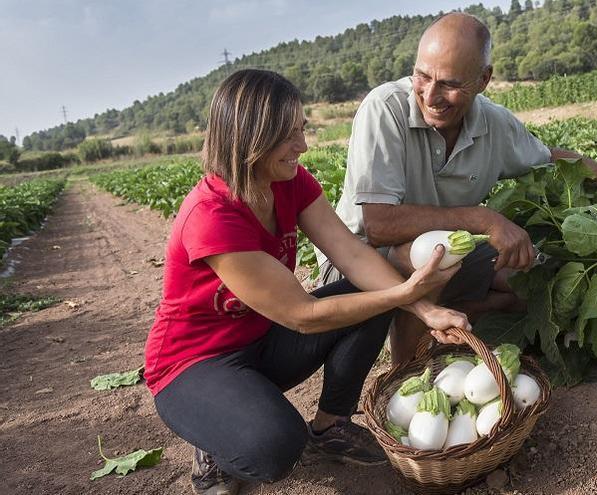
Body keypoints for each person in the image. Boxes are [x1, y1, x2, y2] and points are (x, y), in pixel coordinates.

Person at [144, 69, 471, 495]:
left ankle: (332, 425)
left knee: (371, 292)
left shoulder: (290, 182)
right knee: (275, 448)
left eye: (301, 129)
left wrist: (422, 308)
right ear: (248, 139)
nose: (302, 145)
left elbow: (351, 253)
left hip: (261, 342)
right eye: (287, 136)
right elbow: (303, 315)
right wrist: (405, 292)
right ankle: (214, 440)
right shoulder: (211, 216)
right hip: (193, 365)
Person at [318, 12, 597, 367]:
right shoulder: (386, 109)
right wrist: (483, 219)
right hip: (358, 263)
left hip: (443, 254)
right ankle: (407, 370)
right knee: (432, 252)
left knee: (537, 278)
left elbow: (552, 158)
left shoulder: (492, 123)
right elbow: (378, 224)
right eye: (422, 76)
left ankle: (466, 312)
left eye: (449, 83)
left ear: (483, 79)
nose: (431, 95)